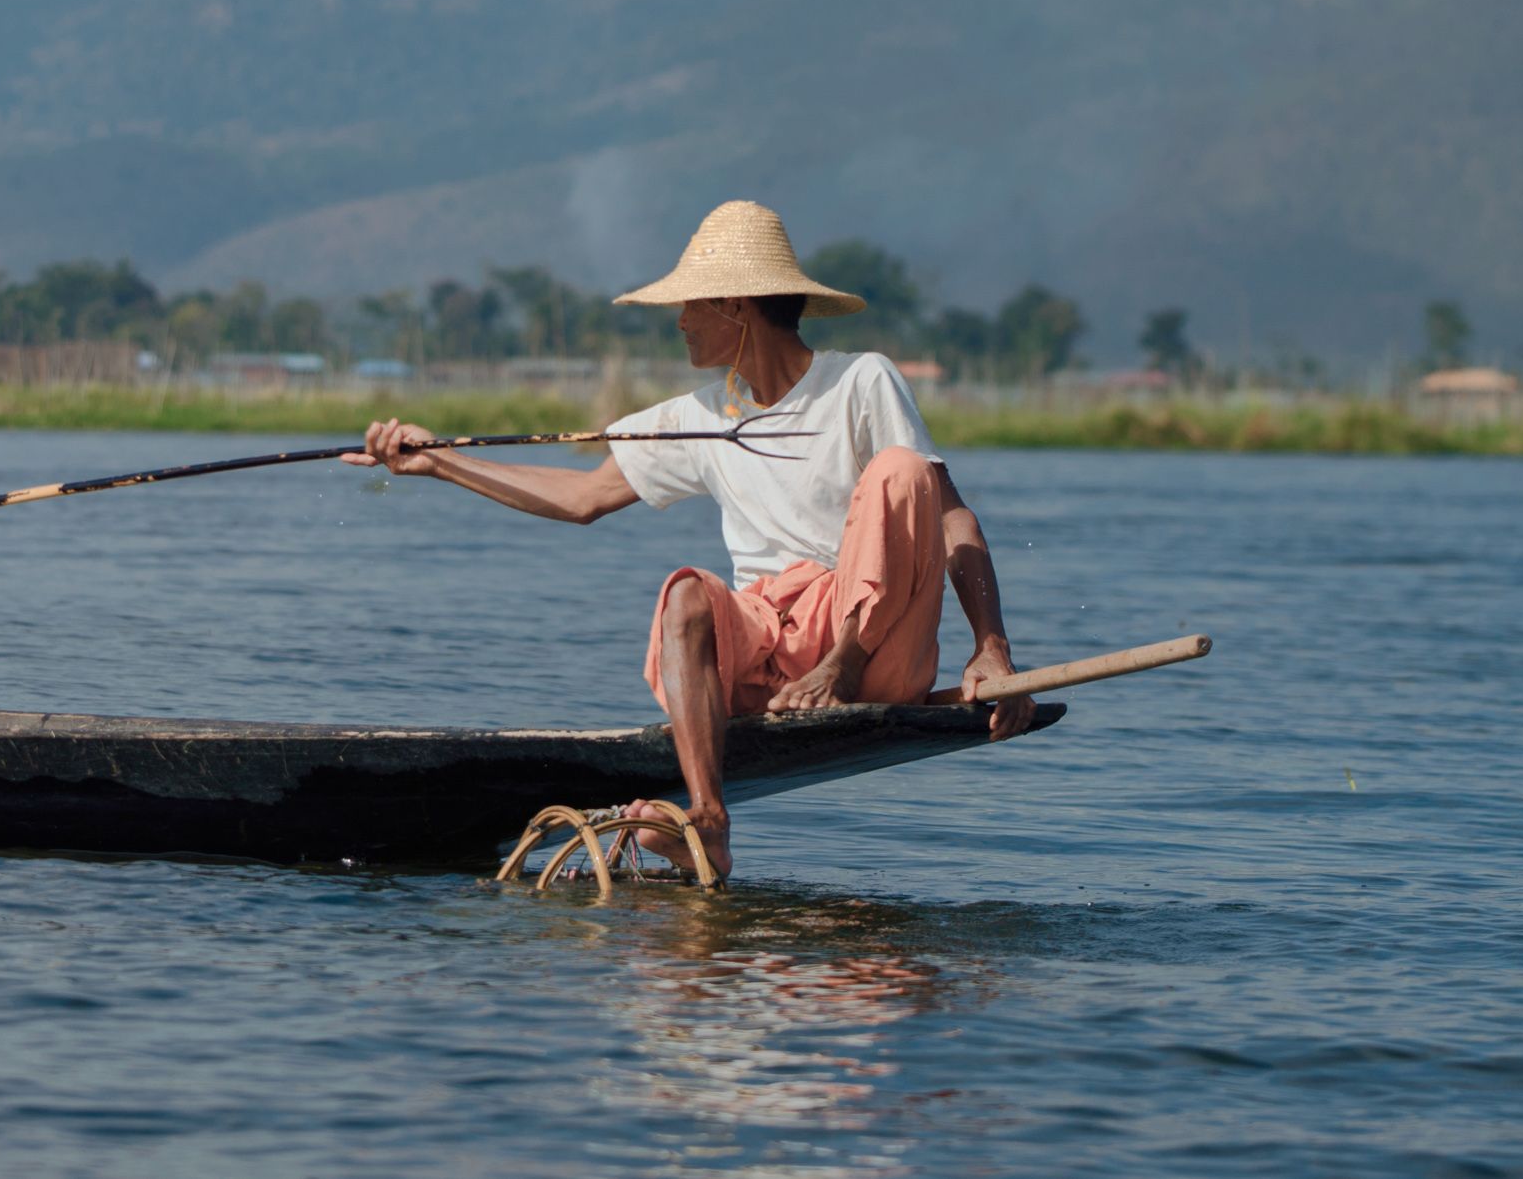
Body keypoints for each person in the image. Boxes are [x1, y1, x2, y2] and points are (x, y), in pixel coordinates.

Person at [351, 200, 1030, 883]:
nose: (679, 322)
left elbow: (953, 522)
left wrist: (991, 648)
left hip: (874, 650)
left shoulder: (860, 382)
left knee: (901, 471)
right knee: (685, 596)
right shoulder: (702, 418)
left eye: (692, 304)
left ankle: (838, 671)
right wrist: (437, 460)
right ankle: (708, 821)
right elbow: (583, 497)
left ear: (736, 304)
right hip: (773, 665)